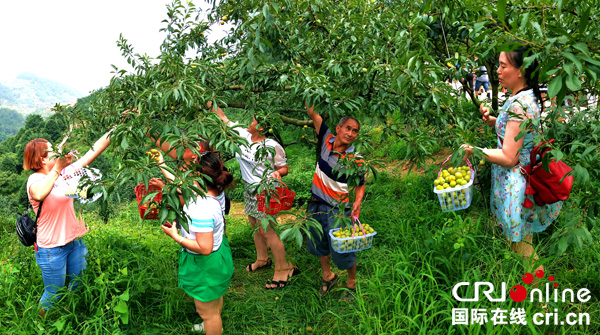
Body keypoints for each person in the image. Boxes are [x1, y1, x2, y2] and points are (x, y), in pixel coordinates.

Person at [461, 45, 563, 276]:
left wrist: (474, 150)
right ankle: (527, 294)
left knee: (522, 247)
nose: (497, 71)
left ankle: (540, 304)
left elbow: (509, 157)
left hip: (515, 185)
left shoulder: (519, 103)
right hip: (519, 181)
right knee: (517, 242)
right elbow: (518, 133)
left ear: (521, 71)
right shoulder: (525, 97)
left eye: (503, 66)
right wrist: (495, 121)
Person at [23, 128, 114, 317]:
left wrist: (118, 127)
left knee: (78, 282)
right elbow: (39, 194)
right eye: (52, 151)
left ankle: (70, 314)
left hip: (74, 242)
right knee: (54, 292)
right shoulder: (35, 180)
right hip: (51, 248)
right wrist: (57, 169)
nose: (57, 152)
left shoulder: (65, 173)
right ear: (42, 159)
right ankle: (40, 325)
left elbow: (93, 150)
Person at [209, 102, 298, 289]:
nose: (250, 122)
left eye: (254, 120)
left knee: (268, 230)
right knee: (254, 225)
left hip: (266, 191)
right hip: (249, 189)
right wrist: (210, 101)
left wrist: (278, 173)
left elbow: (283, 168)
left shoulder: (272, 145)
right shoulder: (243, 135)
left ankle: (284, 268)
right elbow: (223, 118)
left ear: (262, 127)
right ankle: (262, 258)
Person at [153, 150, 233, 335]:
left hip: (206, 263)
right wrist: (161, 163)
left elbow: (204, 248)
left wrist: (176, 236)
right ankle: (212, 324)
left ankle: (211, 324)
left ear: (197, 176)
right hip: (218, 255)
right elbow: (181, 185)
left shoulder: (201, 208)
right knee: (214, 299)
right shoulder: (211, 192)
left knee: (207, 312)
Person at [305, 103, 365, 301]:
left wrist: (358, 201)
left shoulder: (354, 158)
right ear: (338, 129)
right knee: (318, 243)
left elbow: (360, 184)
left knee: (343, 247)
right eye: (348, 128)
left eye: (355, 131)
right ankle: (328, 275)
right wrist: (310, 86)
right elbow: (312, 111)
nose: (350, 133)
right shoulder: (326, 138)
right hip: (316, 204)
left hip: (338, 210)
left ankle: (351, 282)